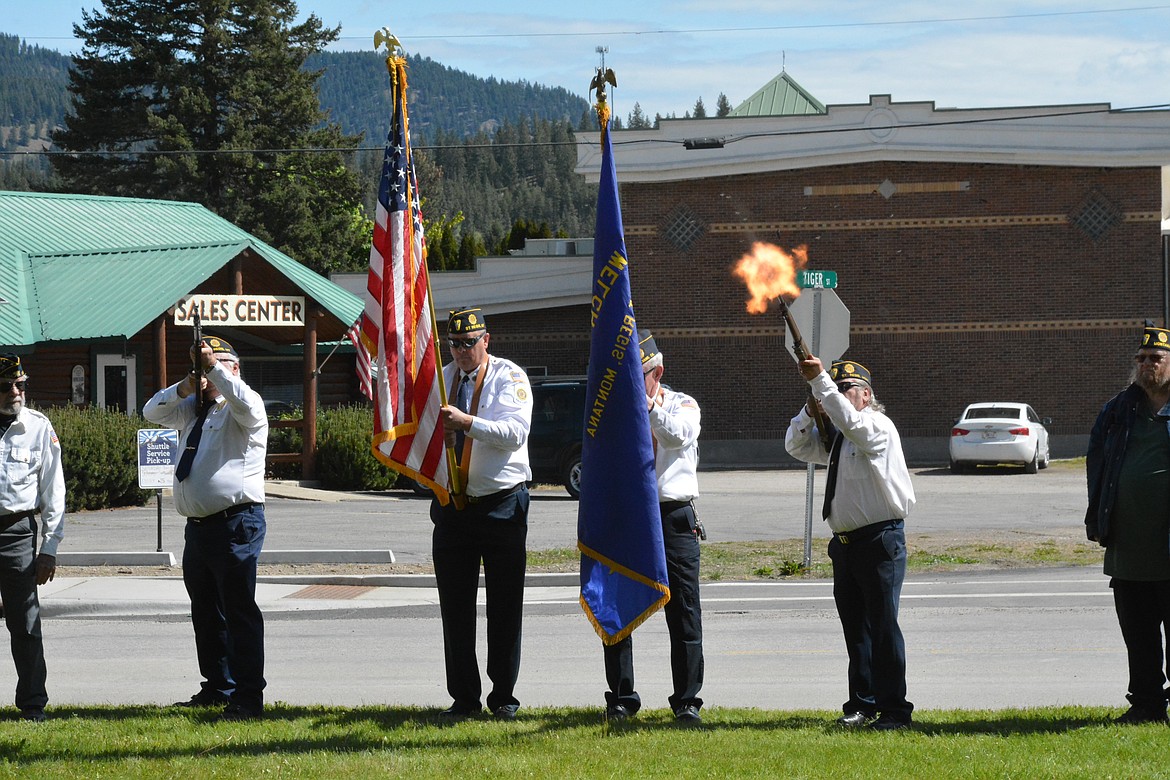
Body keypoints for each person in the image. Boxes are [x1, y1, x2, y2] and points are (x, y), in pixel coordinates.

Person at [785, 357, 916, 731]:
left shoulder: (875, 426)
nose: (839, 396)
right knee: (856, 629)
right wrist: (810, 409)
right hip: (845, 544)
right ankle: (862, 703)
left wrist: (821, 382)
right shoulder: (841, 437)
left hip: (879, 539)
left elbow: (853, 422)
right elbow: (795, 445)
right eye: (836, 390)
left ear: (866, 395)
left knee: (883, 626)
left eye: (846, 390)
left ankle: (895, 710)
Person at [143, 336, 268, 721]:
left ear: (235, 370)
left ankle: (247, 696)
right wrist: (186, 384)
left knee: (238, 611)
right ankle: (218, 687)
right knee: (207, 613)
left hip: (235, 523)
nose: (208, 375)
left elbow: (244, 402)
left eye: (218, 366)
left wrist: (214, 366)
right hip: (198, 527)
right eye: (203, 368)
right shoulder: (194, 410)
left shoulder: (245, 407)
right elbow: (151, 412)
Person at [431, 308, 533, 721]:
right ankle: (464, 699)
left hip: (501, 504)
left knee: (504, 606)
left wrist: (467, 422)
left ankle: (504, 697)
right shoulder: (443, 378)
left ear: (486, 340)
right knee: (455, 608)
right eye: (454, 344)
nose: (461, 352)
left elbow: (515, 434)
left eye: (469, 343)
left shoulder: (510, 377)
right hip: (453, 506)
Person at [603, 330, 706, 725]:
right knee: (618, 609)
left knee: (684, 613)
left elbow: (678, 436)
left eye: (637, 374)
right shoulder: (613, 409)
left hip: (672, 516)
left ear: (656, 371)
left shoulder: (683, 404)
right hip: (628, 514)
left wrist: (644, 407)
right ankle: (622, 698)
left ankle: (686, 701)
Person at [1086, 325, 1170, 724]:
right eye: (1141, 358)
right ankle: (1147, 705)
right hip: (1129, 548)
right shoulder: (1118, 408)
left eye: (1155, 358)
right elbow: (1097, 465)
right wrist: (1097, 517)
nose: (1146, 365)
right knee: (1138, 636)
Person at [0, 354, 64, 722]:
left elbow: (54, 491)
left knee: (24, 622)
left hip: (16, 532)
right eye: (7, 385)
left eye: (20, 385)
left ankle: (32, 704)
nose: (15, 392)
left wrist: (49, 549)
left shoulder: (38, 427)